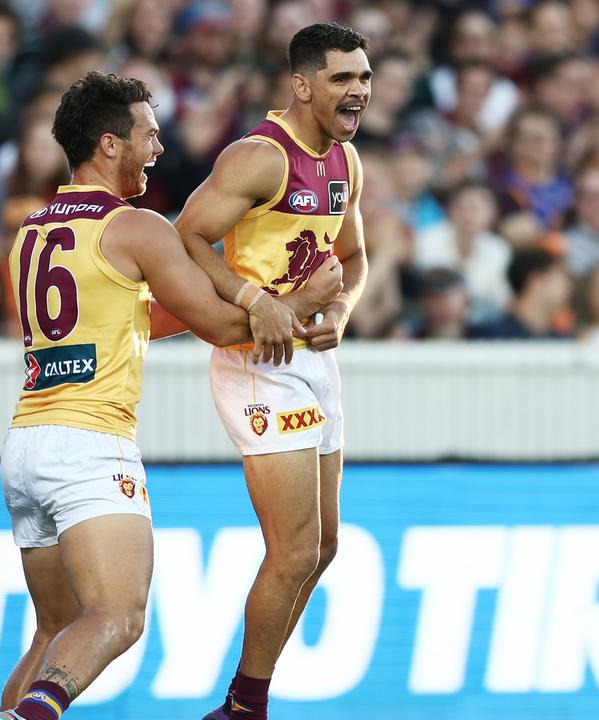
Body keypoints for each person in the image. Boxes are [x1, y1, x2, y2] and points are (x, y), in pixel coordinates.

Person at [0, 71, 339, 720]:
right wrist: (297, 304)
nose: (159, 148)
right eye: (148, 135)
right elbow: (224, 326)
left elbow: (142, 318)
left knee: (54, 633)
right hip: (91, 449)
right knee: (118, 618)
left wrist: (258, 308)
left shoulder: (33, 230)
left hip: (26, 448)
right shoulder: (138, 228)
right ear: (109, 145)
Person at [173, 21, 370, 720]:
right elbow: (187, 236)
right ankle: (244, 706)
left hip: (313, 360)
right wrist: (257, 300)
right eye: (344, 78)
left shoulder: (346, 163)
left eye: (365, 78)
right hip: (257, 362)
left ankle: (248, 698)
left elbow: (353, 258)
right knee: (290, 552)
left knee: (323, 547)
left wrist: (340, 312)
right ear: (302, 84)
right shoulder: (260, 156)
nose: (359, 92)